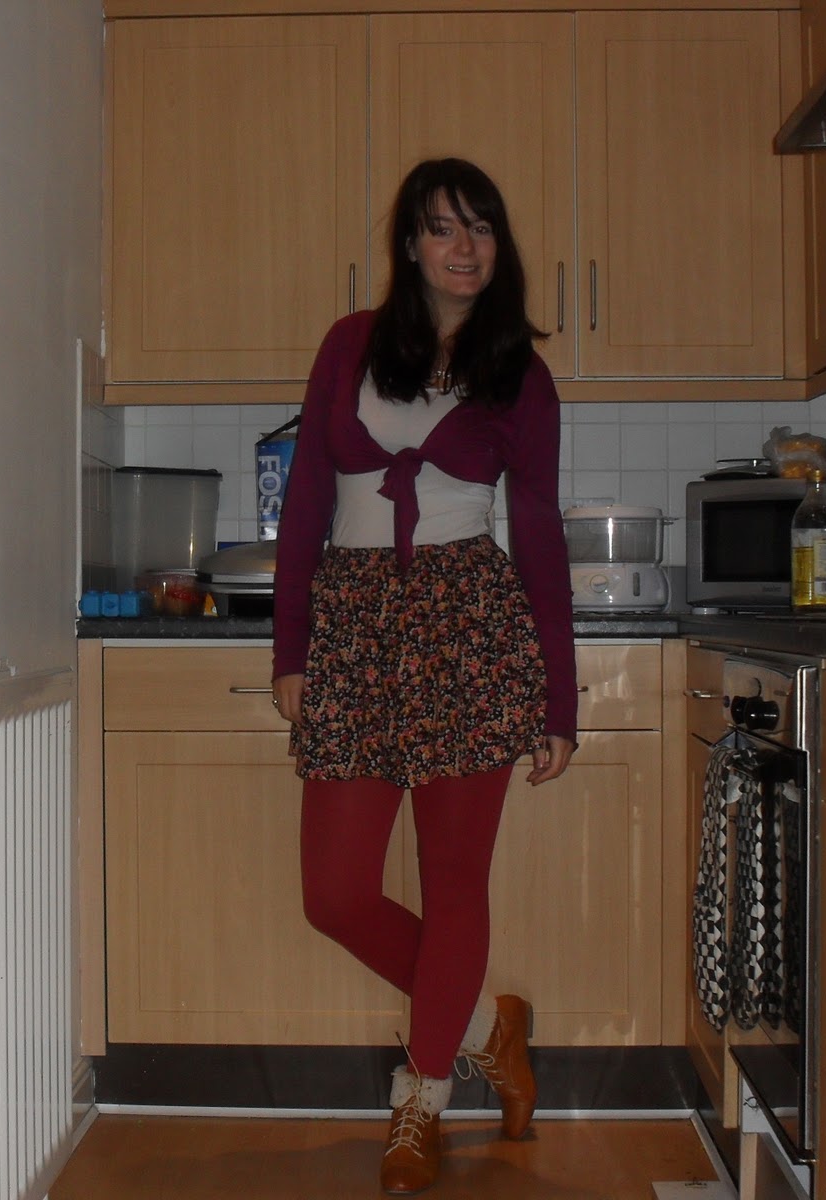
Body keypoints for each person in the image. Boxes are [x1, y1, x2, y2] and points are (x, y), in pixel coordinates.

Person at [270, 158, 578, 1195]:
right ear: (410, 243)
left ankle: (423, 1099)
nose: (463, 247)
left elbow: (538, 534)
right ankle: (491, 1027)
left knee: (454, 885)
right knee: (335, 893)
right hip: (356, 626)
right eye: (442, 227)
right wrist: (293, 649)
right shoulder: (349, 344)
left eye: (480, 227)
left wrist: (559, 699)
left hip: (469, 626)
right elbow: (308, 498)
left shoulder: (520, 374)